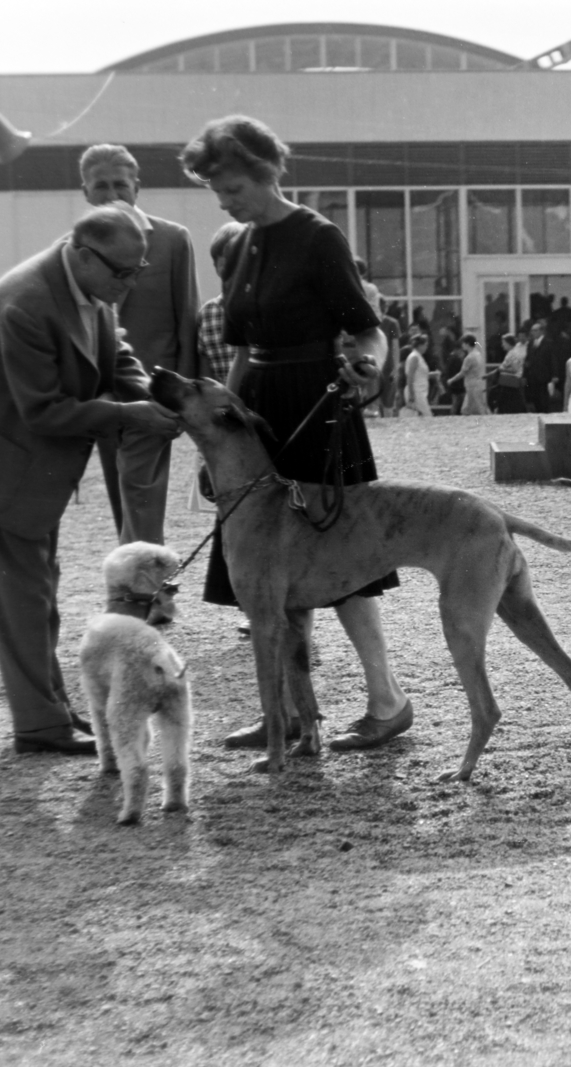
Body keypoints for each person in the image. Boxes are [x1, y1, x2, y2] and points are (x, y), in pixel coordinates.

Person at [181, 113, 411, 751]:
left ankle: (387, 702)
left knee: (341, 560)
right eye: (217, 192)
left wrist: (369, 367)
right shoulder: (233, 243)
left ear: (268, 172)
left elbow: (367, 329)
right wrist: (220, 435)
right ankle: (283, 712)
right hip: (255, 407)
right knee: (263, 570)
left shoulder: (317, 236)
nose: (225, 203)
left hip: (316, 403)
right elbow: (238, 351)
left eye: (233, 189)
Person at [0, 206, 182, 754]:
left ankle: (49, 708)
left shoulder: (86, 286)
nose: (130, 283)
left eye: (138, 270)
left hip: (35, 469)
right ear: (82, 253)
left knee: (40, 592)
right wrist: (129, 416)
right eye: (122, 272)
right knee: (22, 600)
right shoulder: (25, 302)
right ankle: (39, 726)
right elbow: (44, 412)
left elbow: (114, 354)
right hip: (2, 469)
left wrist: (152, 394)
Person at [79, 144, 200, 547]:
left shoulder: (171, 240)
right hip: (102, 395)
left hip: (154, 389)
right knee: (122, 495)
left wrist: (182, 396)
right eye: (101, 186)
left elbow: (187, 319)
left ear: (137, 188)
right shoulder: (72, 250)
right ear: (85, 193)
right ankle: (141, 584)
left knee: (144, 497)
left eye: (120, 185)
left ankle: (145, 589)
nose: (111, 194)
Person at [197, 221, 248, 383]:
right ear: (216, 266)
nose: (234, 272)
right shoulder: (207, 313)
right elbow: (206, 374)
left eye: (239, 263)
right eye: (225, 264)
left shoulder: (263, 309)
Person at [450, 333, 490, 415]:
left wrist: (451, 380)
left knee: (473, 408)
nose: (462, 345)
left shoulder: (469, 358)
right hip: (477, 383)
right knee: (475, 407)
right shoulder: (478, 354)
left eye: (463, 343)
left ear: (467, 344)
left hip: (471, 385)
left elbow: (463, 372)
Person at [524, 318, 557, 413]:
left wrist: (555, 374)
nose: (533, 333)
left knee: (544, 398)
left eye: (535, 330)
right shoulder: (531, 343)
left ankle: (545, 413)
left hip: (544, 375)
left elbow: (553, 359)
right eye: (532, 331)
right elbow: (528, 358)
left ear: (541, 331)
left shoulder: (548, 343)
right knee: (535, 398)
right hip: (533, 375)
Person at [400, 333, 434, 418]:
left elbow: (419, 375)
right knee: (427, 415)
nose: (426, 347)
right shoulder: (414, 357)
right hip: (416, 391)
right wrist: (411, 394)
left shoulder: (418, 357)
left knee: (421, 417)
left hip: (420, 391)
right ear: (419, 346)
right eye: (425, 345)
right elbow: (410, 376)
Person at [494, 331, 528, 413]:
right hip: (509, 381)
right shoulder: (511, 353)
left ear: (509, 343)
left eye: (504, 343)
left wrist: (502, 369)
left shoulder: (514, 354)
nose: (503, 345)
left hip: (511, 381)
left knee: (511, 403)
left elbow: (515, 369)